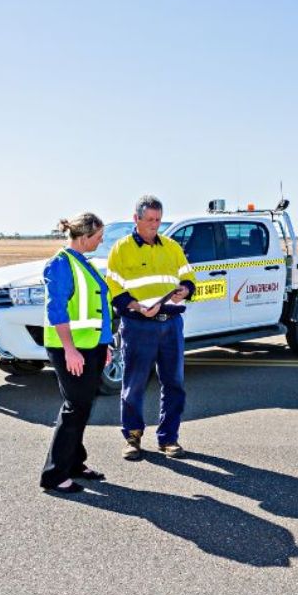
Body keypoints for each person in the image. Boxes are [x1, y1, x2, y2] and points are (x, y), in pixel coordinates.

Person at [106, 195, 197, 460]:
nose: (154, 225)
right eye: (149, 220)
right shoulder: (121, 250)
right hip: (137, 326)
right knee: (134, 384)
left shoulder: (171, 247)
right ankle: (132, 438)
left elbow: (189, 276)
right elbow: (114, 289)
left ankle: (169, 439)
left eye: (158, 220)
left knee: (174, 384)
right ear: (136, 219)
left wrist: (185, 290)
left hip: (171, 325)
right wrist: (136, 306)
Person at [40, 212, 113, 494]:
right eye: (98, 237)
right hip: (71, 347)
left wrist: (103, 346)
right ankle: (54, 474)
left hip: (91, 346)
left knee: (83, 406)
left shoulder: (84, 263)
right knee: (75, 407)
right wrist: (70, 349)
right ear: (83, 238)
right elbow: (56, 310)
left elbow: (98, 310)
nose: (101, 240)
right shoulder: (60, 264)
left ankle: (74, 463)